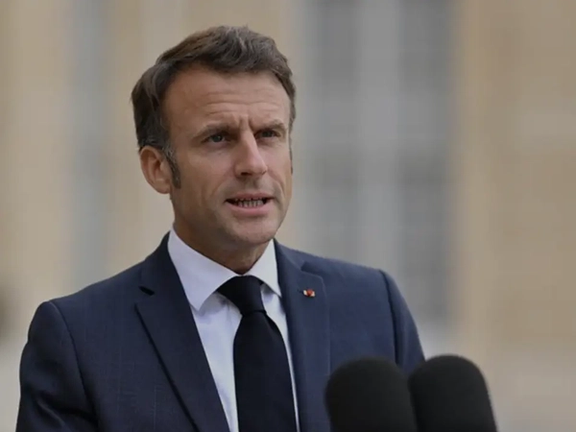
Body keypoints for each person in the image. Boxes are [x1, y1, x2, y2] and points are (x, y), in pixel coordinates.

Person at [16, 25, 424, 432]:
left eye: (269, 135)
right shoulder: (79, 339)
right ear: (158, 169)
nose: (253, 164)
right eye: (218, 138)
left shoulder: (373, 306)